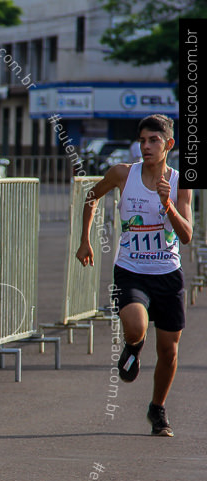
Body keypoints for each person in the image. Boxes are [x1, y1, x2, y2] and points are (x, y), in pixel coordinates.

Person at [76, 114, 192, 436]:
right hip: (131, 270)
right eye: (142, 141)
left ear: (168, 144)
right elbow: (91, 197)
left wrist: (166, 203)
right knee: (137, 325)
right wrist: (85, 239)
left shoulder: (180, 182)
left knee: (169, 351)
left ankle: (157, 409)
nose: (146, 147)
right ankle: (134, 345)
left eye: (153, 140)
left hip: (168, 274)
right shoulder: (122, 175)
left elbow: (186, 235)